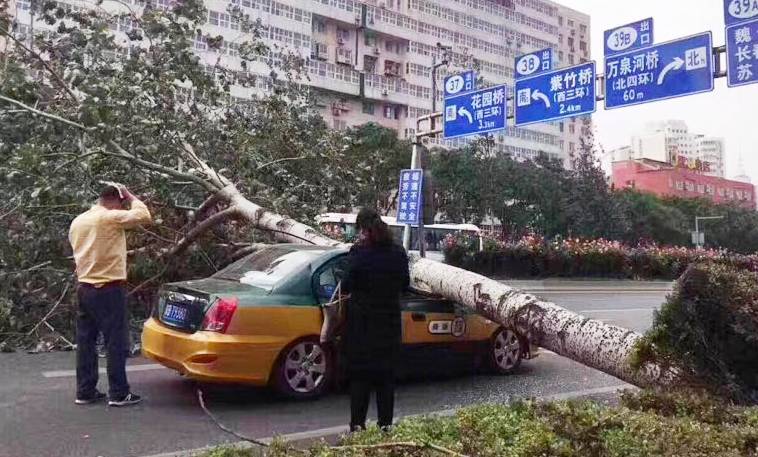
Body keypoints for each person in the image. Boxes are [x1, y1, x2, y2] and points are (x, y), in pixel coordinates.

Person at [69, 184, 152, 407]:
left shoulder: (78, 221)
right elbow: (144, 215)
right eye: (122, 202)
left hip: (84, 288)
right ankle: (118, 392)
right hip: (108, 289)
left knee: (86, 341)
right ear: (116, 200)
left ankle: (85, 391)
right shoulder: (109, 217)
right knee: (115, 342)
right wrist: (131, 195)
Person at [341, 208, 409, 431]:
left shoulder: (359, 253)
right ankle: (385, 427)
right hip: (388, 325)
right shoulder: (398, 252)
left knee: (360, 381)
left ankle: (357, 427)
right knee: (385, 381)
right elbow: (405, 285)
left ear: (363, 229)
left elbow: (346, 285)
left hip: (361, 326)